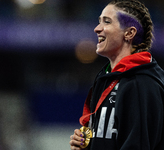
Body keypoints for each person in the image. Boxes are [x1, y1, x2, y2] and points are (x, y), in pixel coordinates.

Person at [69, 0, 164, 149]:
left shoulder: (141, 83)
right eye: (99, 21)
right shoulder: (107, 78)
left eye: (106, 22)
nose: (97, 29)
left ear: (129, 33)